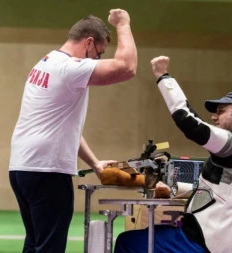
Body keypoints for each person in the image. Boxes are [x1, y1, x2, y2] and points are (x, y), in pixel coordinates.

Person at [9, 9, 137, 253]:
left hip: (22, 168)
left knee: (35, 244)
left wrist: (96, 163)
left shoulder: (45, 62)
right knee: (50, 248)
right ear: (88, 42)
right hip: (47, 170)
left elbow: (67, 130)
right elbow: (127, 67)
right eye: (99, 53)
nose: (97, 60)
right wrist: (123, 24)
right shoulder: (69, 68)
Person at [114, 56, 232, 253]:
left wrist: (163, 76)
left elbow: (188, 120)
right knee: (156, 233)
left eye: (221, 111)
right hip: (229, 245)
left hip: (201, 243)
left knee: (129, 241)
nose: (214, 116)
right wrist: (172, 188)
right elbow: (221, 194)